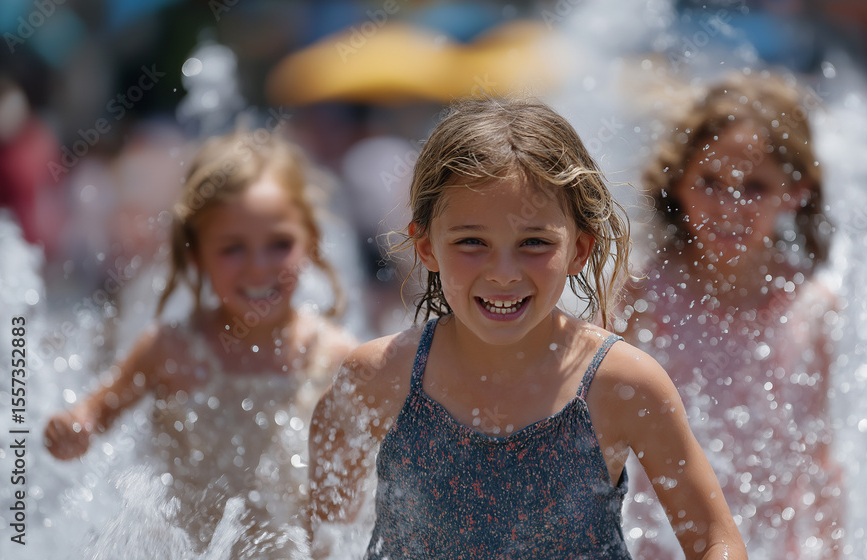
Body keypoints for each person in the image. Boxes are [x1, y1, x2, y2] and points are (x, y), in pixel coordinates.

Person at [307, 97, 747, 560]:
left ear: (579, 249)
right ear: (426, 246)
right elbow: (323, 543)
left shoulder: (622, 385)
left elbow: (716, 541)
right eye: (471, 242)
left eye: (534, 243)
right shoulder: (377, 378)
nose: (503, 272)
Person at [43, 130, 358, 557]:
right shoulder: (171, 350)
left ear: (311, 240)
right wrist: (75, 426)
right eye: (233, 248)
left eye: (279, 245)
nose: (258, 267)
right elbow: (99, 412)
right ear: (195, 253)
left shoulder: (336, 358)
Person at [621, 71, 842, 559]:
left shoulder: (811, 307)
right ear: (677, 181)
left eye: (755, 186)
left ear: (795, 193)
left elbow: (818, 458)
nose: (729, 205)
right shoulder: (643, 295)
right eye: (710, 182)